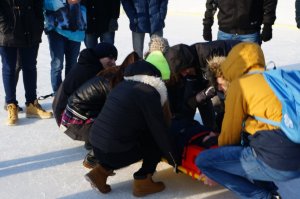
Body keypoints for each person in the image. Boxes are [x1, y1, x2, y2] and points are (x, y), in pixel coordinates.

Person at [195, 42, 300, 199]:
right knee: (252, 144)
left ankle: (262, 197)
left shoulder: (241, 85)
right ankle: (271, 192)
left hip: (277, 161)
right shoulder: (274, 78)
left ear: (232, 63)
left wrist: (217, 168)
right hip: (294, 154)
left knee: (204, 161)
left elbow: (230, 137)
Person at [85, 51, 180, 197]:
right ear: (157, 80)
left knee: (122, 139)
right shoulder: (149, 93)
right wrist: (174, 159)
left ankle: (99, 173)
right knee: (154, 140)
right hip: (115, 151)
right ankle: (143, 181)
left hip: (96, 146)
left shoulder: (122, 86)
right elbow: (159, 130)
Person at [59, 51, 140, 168]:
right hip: (75, 124)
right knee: (119, 124)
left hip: (72, 119)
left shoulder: (114, 75)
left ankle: (91, 142)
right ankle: (94, 156)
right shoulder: (113, 83)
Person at [164, 40, 241, 132]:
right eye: (181, 72)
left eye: (184, 70)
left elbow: (221, 84)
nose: (184, 74)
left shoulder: (208, 55)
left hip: (240, 60)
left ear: (188, 62)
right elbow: (194, 95)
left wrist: (207, 92)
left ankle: (232, 132)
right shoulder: (186, 64)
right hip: (218, 73)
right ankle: (211, 129)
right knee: (200, 99)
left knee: (229, 104)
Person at [0, 0, 53, 126]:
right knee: (9, 68)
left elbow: (37, 5)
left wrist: (38, 25)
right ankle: (11, 104)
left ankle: (31, 104)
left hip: (30, 29)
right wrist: (3, 24)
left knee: (30, 67)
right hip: (7, 30)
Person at [52, 42, 118, 127]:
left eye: (115, 59)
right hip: (68, 119)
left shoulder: (89, 64)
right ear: (100, 55)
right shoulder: (90, 71)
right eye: (110, 58)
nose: (113, 62)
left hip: (64, 114)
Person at [44, 0, 87, 94]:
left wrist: (83, 18)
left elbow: (85, 4)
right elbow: (44, 3)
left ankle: (69, 93)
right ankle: (58, 94)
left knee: (72, 65)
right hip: (56, 30)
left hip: (76, 30)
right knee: (57, 64)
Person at [202, 0, 278, 44]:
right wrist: (207, 25)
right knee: (224, 69)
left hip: (250, 33)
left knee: (251, 70)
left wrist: (268, 25)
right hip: (225, 33)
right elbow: (211, 3)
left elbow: (269, 2)